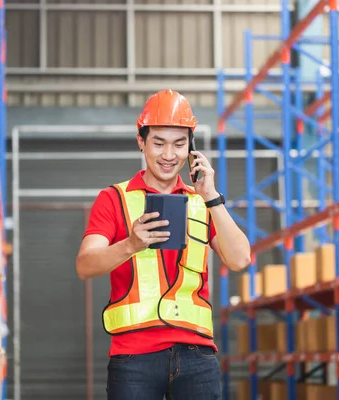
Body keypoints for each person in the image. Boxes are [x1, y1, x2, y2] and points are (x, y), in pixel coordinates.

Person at [76, 89, 251, 400]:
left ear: (192, 147)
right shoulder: (113, 199)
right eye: (158, 143)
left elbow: (240, 260)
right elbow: (85, 265)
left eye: (179, 144)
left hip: (198, 356)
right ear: (141, 142)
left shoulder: (202, 202)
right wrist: (130, 244)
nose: (169, 155)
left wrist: (211, 196)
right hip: (133, 357)